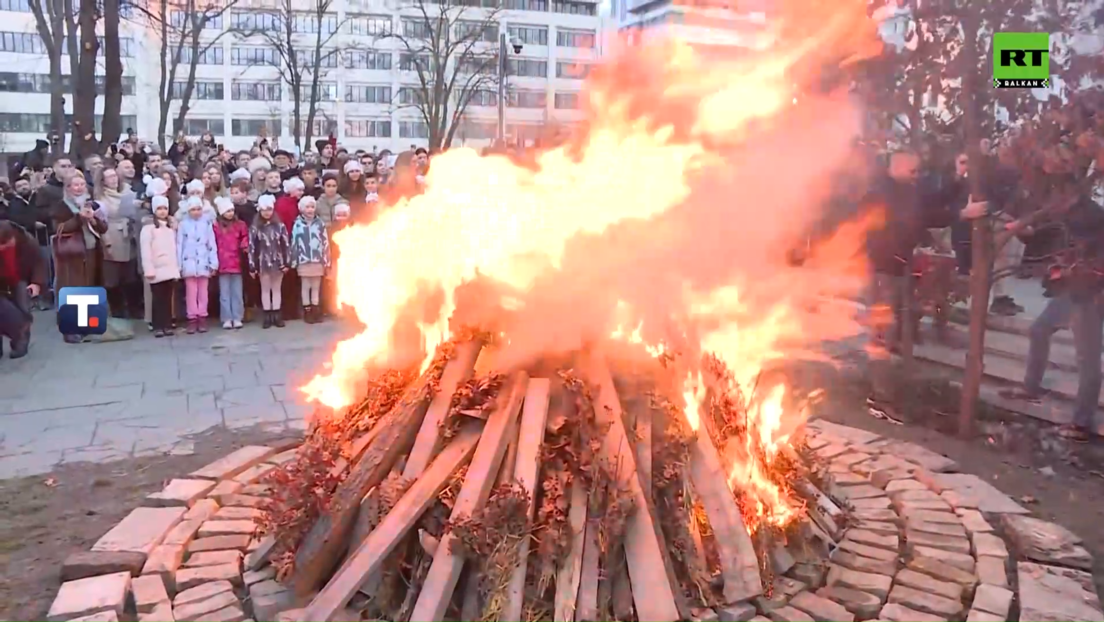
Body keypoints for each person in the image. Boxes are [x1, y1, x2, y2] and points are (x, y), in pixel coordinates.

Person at [861, 151, 989, 406]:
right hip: (883, 273)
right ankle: (879, 397)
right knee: (882, 333)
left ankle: (890, 387)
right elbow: (919, 215)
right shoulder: (881, 191)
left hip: (896, 270)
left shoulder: (905, 188)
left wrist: (957, 176)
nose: (917, 176)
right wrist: (962, 214)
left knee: (896, 330)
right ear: (898, 167)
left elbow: (930, 200)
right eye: (914, 171)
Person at [1000, 190, 1104, 442]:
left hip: (1091, 293)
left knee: (1087, 358)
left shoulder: (1093, 217)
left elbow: (1092, 257)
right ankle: (1031, 388)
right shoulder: (1066, 213)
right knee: (1039, 329)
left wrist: (1073, 268)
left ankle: (1082, 423)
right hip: (1074, 288)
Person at [51, 173, 108, 344]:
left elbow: (103, 228)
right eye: (75, 185)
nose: (80, 188)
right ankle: (70, 330)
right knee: (72, 290)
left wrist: (94, 219)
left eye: (82, 184)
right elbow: (60, 229)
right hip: (71, 255)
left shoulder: (89, 204)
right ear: (67, 188)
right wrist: (79, 218)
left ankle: (86, 327)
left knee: (88, 289)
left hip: (91, 252)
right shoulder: (61, 207)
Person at [94, 166, 138, 318]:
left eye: (114, 175)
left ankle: (133, 307)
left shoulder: (128, 192)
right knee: (113, 275)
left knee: (130, 274)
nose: (113, 179)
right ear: (103, 181)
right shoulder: (101, 198)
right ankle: (117, 308)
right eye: (109, 177)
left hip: (128, 233)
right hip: (111, 233)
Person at [0, 221, 46, 358]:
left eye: (4, 245)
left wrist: (36, 283)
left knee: (22, 310)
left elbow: (39, 263)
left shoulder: (28, 242)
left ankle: (20, 343)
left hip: (21, 279)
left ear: (12, 238)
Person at [176, 196, 219, 334]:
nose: (196, 212)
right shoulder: (183, 225)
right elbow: (179, 245)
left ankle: (202, 317)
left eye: (198, 209)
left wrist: (213, 263)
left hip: (203, 262)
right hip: (189, 263)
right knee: (191, 293)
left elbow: (211, 244)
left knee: (203, 292)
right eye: (193, 209)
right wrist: (179, 264)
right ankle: (192, 318)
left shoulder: (206, 224)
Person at [140, 195, 180, 338]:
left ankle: (167, 324)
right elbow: (145, 250)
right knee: (157, 298)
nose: (162, 212)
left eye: (165, 208)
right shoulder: (148, 228)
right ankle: (158, 325)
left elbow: (175, 248)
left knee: (168, 298)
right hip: (156, 268)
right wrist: (148, 268)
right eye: (159, 209)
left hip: (169, 267)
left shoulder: (171, 228)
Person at [249, 194, 290, 329]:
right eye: (264, 210)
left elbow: (285, 244)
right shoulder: (255, 227)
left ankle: (277, 314)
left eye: (269, 209)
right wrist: (252, 266)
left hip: (278, 262)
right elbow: (252, 247)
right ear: (259, 211)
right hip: (262, 262)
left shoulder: (280, 226)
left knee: (276, 289)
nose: (267, 213)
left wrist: (286, 262)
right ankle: (267, 314)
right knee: (265, 289)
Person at [289, 195, 330, 324]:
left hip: (317, 260)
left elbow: (325, 241)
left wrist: (326, 260)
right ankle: (307, 310)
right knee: (306, 286)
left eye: (312, 207)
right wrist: (294, 260)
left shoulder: (320, 224)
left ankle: (315, 308)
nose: (310, 209)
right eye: (307, 207)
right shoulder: (297, 224)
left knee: (316, 286)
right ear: (302, 209)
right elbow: (294, 242)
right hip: (303, 259)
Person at [212, 196, 249, 330]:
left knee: (237, 292)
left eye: (232, 210)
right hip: (222, 263)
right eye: (227, 211)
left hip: (236, 263)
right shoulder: (216, 226)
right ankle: (227, 317)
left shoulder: (240, 225)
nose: (230, 213)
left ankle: (237, 316)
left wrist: (244, 245)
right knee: (225, 293)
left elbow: (245, 237)